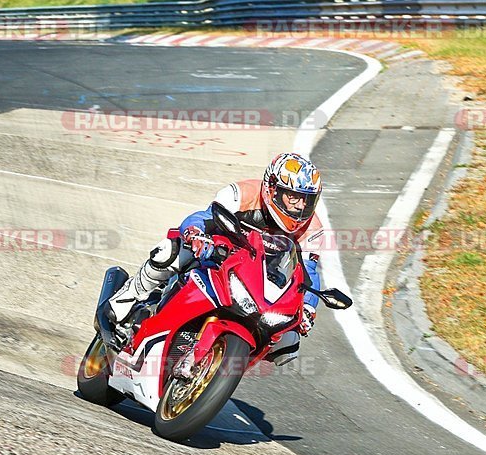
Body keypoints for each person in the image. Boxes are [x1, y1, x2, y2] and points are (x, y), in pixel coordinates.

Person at [108, 152, 324, 366]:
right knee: (169, 251)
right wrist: (195, 233)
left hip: (263, 284)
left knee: (289, 344)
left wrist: (308, 308)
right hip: (220, 257)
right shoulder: (243, 194)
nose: (299, 207)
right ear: (272, 188)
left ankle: (221, 363)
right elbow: (203, 217)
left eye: (307, 201)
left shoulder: (312, 230)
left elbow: (308, 274)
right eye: (293, 197)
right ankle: (127, 297)